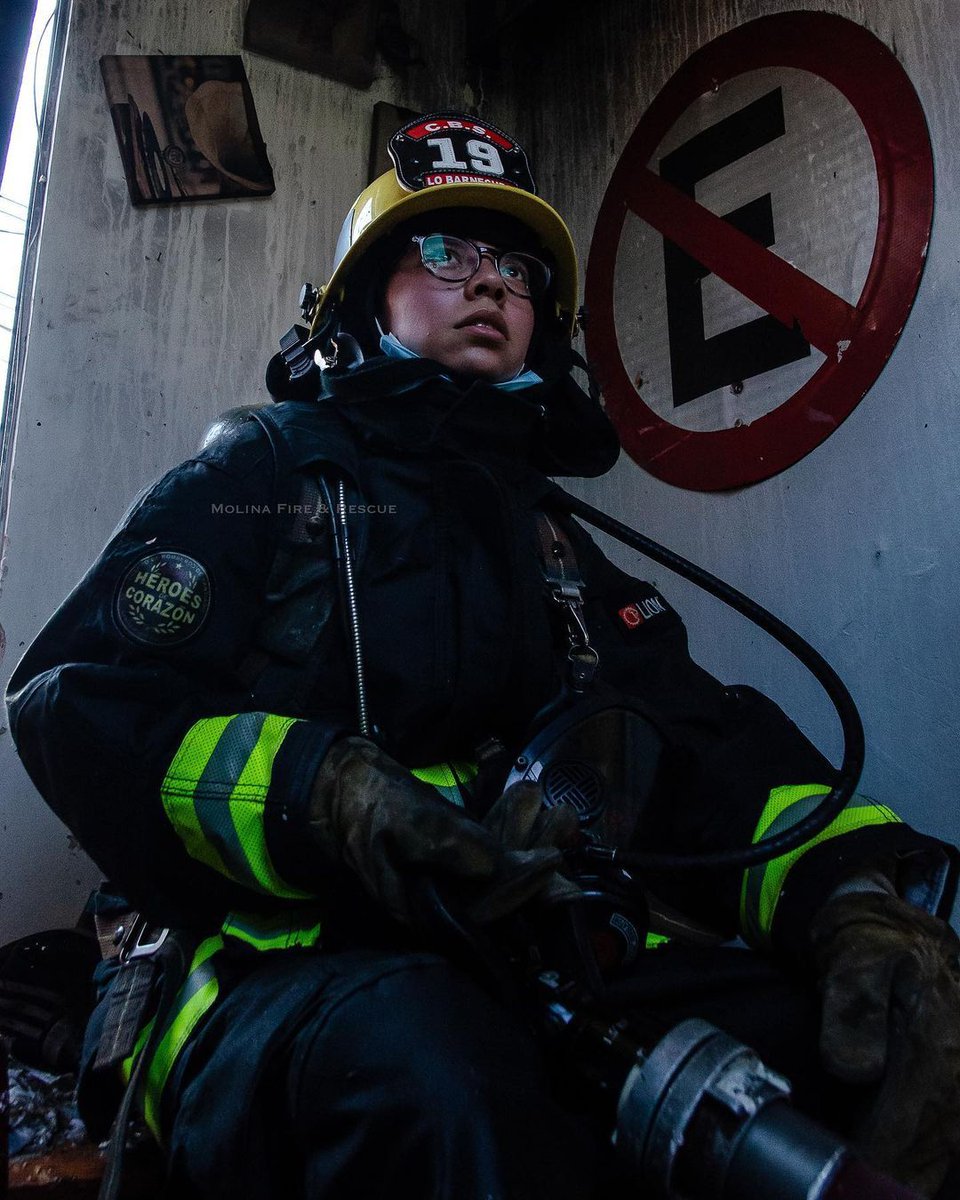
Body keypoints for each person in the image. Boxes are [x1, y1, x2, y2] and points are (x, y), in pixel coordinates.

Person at [6, 112, 960, 1199]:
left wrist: (848, 898)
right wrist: (322, 794)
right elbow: (74, 704)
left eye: (515, 268)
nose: (493, 284)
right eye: (446, 252)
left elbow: (698, 748)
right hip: (275, 971)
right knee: (436, 1075)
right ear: (361, 302)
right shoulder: (263, 480)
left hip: (533, 969)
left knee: (846, 1042)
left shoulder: (551, 538)